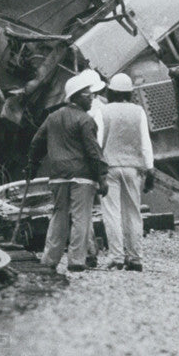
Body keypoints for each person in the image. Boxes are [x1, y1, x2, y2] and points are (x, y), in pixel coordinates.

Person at [27, 74, 109, 273]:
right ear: (77, 96)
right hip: (82, 177)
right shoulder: (85, 120)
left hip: (57, 175)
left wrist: (32, 164)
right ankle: (76, 260)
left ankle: (49, 260)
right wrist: (102, 178)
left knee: (59, 216)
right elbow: (93, 152)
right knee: (81, 218)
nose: (92, 99)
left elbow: (36, 142)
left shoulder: (52, 117)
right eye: (89, 95)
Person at [99, 73, 154, 271]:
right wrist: (150, 169)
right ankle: (135, 257)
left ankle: (116, 256)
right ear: (129, 93)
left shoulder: (104, 111)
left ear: (111, 91)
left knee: (112, 212)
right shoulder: (138, 111)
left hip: (110, 166)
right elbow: (145, 142)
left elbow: (98, 141)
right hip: (133, 168)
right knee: (133, 212)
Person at [80, 68, 107, 268]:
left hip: (88, 164)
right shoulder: (102, 108)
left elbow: (95, 142)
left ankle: (90, 251)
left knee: (85, 209)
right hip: (100, 162)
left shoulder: (89, 111)